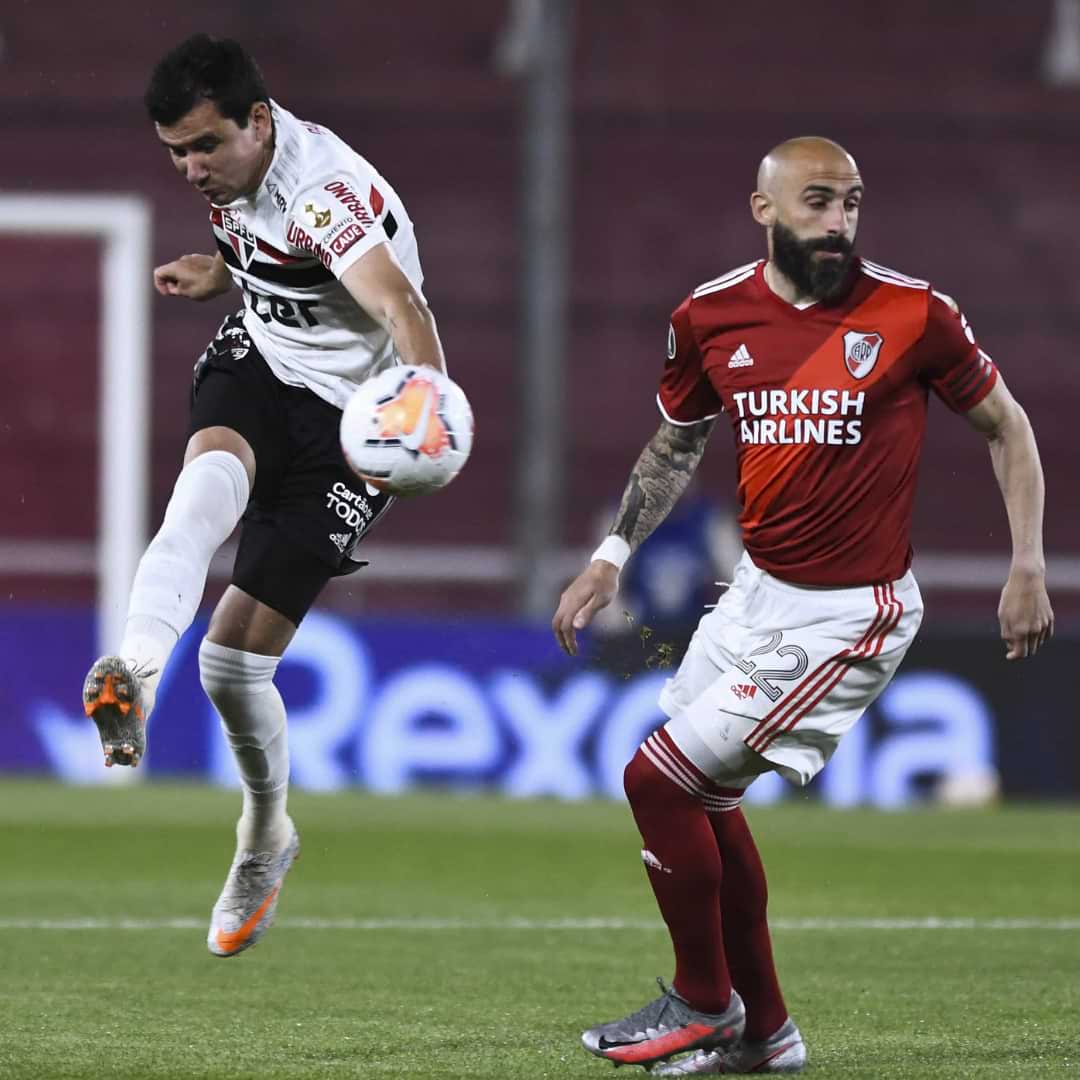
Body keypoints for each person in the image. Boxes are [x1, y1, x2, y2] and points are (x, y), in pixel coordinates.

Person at [552, 136, 1053, 1074]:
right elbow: (674, 447)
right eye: (819, 202)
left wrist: (1027, 561)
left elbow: (1008, 425)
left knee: (657, 782)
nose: (839, 222)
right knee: (702, 800)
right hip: (756, 596)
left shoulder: (913, 314)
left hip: (851, 612)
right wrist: (611, 553)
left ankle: (704, 1003)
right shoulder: (709, 316)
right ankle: (768, 1034)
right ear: (765, 208)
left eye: (853, 204)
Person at [82, 34, 446, 958]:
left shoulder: (325, 196)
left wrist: (426, 408)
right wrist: (223, 272)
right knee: (200, 495)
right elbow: (259, 240)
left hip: (348, 425)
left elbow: (404, 309)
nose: (192, 169)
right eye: (175, 152)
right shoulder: (237, 179)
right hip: (263, 363)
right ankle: (130, 670)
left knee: (233, 664)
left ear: (259, 119)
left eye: (206, 146)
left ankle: (264, 837)